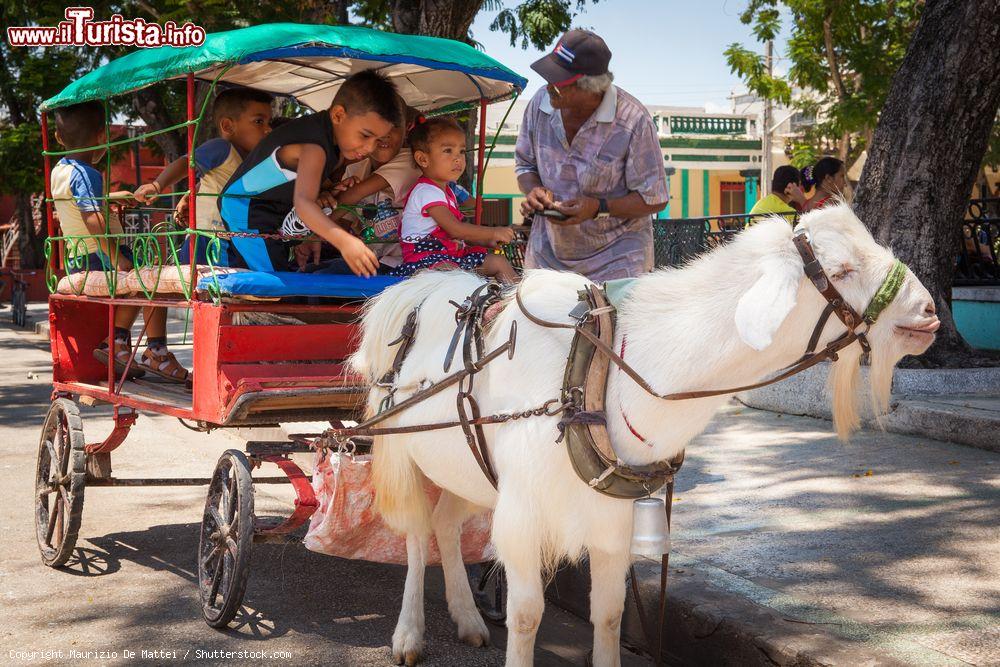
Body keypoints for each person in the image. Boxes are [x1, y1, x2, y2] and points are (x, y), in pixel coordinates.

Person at [51, 101, 188, 383]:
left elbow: (75, 206)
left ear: (57, 137)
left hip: (78, 256)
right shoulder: (86, 174)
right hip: (98, 256)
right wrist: (118, 259)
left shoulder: (61, 170)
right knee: (152, 280)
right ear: (103, 136)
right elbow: (92, 221)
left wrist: (110, 199)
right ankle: (140, 347)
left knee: (148, 274)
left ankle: (138, 346)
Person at [515, 29, 667, 282]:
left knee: (611, 322)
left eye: (559, 81)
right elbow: (525, 166)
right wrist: (534, 190)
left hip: (617, 258)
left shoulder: (633, 121)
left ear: (591, 87)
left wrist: (598, 208)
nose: (549, 86)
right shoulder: (540, 104)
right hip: (548, 254)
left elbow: (655, 198)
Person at [218, 70, 402, 276]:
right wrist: (344, 241)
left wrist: (328, 190)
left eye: (377, 140)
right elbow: (304, 204)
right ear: (338, 115)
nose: (369, 148)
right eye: (365, 135)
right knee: (272, 283)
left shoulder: (328, 140)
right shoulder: (314, 147)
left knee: (278, 275)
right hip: (245, 208)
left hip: (271, 209)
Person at [133, 87, 273, 265]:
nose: (268, 129)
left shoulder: (252, 160)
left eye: (269, 122)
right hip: (209, 239)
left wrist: (190, 195)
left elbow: (217, 182)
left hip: (235, 240)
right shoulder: (222, 147)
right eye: (259, 121)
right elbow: (187, 163)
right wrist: (158, 185)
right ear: (228, 126)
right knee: (207, 287)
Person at [297, 101, 422, 274]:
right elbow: (344, 222)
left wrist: (315, 232)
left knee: (320, 279)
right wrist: (327, 199)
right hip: (370, 258)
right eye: (375, 127)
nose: (384, 134)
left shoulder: (409, 161)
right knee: (307, 272)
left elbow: (354, 194)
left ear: (406, 129)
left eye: (393, 126)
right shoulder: (354, 170)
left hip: (401, 263)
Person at [392, 117, 516, 282]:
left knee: (498, 262)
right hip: (425, 262)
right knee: (453, 273)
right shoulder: (426, 191)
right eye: (448, 151)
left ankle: (518, 303)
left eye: (462, 152)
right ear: (423, 159)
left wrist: (488, 241)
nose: (458, 159)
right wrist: (493, 232)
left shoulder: (447, 192)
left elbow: (458, 236)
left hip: (449, 256)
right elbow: (456, 230)